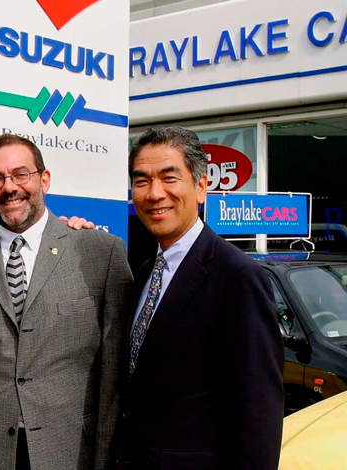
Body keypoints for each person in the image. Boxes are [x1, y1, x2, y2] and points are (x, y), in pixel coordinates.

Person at [0, 133, 133, 470]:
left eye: (21, 174)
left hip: (73, 455)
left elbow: (114, 381)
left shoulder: (100, 254)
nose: (9, 187)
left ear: (44, 180)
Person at [117, 127, 284, 470]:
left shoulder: (237, 276)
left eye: (169, 178)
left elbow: (258, 413)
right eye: (142, 181)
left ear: (201, 187)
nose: (154, 193)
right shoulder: (145, 272)